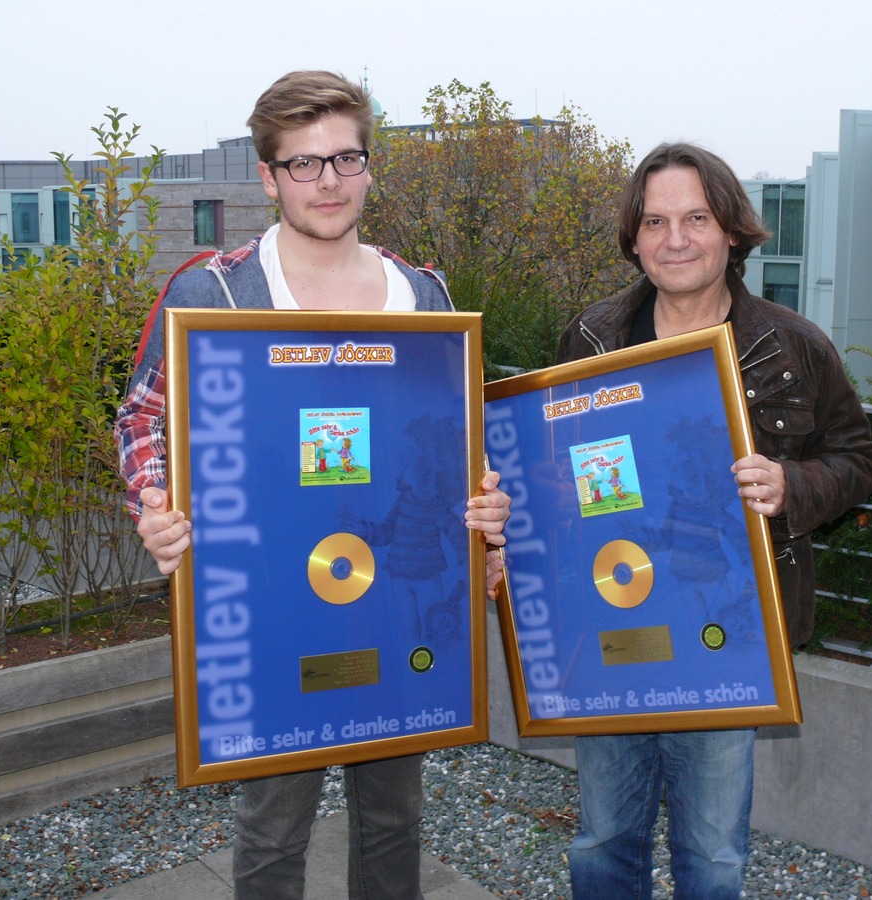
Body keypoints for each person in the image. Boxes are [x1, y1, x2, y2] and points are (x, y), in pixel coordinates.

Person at [114, 70, 511, 900]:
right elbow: (143, 419)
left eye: (345, 157)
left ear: (369, 165)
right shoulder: (213, 292)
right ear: (268, 177)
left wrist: (484, 507)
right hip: (268, 603)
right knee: (270, 832)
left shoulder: (425, 294)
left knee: (396, 821)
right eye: (303, 163)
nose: (328, 181)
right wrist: (156, 503)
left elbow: (453, 441)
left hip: (393, 593)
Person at [555, 142, 872, 899]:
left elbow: (858, 461)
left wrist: (791, 483)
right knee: (603, 841)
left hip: (728, 631)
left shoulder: (793, 346)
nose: (676, 239)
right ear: (634, 237)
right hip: (614, 619)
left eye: (696, 217)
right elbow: (555, 466)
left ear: (731, 230)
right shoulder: (593, 338)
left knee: (714, 855)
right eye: (657, 220)